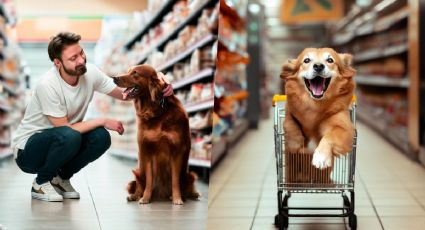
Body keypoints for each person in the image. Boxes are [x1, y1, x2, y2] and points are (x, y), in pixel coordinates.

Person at [11, 32, 173, 202]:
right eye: (73, 58)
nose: (81, 60)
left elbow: (125, 94)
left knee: (101, 137)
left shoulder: (91, 73)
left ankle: (60, 179)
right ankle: (40, 182)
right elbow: (63, 128)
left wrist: (157, 82)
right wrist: (102, 120)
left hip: (61, 142)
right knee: (70, 135)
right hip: (28, 151)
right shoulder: (48, 85)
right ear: (57, 63)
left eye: (81, 53)